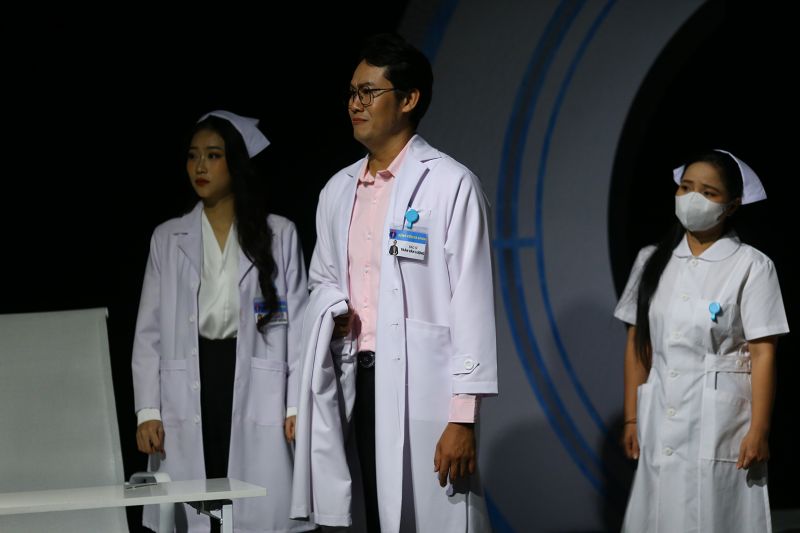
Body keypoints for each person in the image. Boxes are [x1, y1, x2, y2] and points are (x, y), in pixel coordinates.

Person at [302, 33, 497, 532]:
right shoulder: (337, 190)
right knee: (364, 512)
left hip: (424, 388)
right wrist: (332, 307)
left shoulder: (450, 184)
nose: (356, 104)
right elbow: (321, 279)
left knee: (427, 516)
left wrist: (463, 416)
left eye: (369, 92)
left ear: (408, 100)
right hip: (353, 379)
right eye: (352, 93)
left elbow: (472, 301)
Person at [131, 110, 313, 533]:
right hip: (193, 380)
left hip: (254, 378)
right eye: (193, 156)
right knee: (199, 499)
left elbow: (300, 328)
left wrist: (295, 405)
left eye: (213, 156)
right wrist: (148, 410)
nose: (200, 166)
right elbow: (148, 332)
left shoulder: (279, 234)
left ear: (235, 163)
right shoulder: (167, 237)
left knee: (250, 503)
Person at [615, 149, 789, 532]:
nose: (693, 198)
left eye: (708, 193)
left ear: (732, 205)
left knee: (715, 516)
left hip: (724, 423)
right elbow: (638, 345)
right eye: (686, 188)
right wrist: (631, 416)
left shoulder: (752, 265)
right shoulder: (650, 260)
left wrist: (759, 429)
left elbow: (763, 353)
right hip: (659, 414)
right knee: (657, 515)